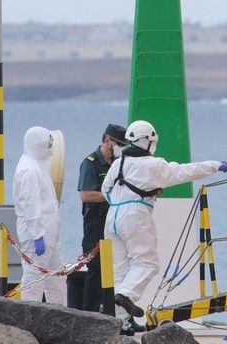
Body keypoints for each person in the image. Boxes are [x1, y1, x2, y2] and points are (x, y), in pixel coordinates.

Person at [102, 119, 227, 335]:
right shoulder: (153, 165)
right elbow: (184, 171)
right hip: (135, 215)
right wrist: (214, 165)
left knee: (120, 268)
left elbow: (106, 190)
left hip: (112, 215)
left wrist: (123, 200)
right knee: (147, 263)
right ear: (147, 142)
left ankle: (121, 322)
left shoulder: (118, 163)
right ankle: (126, 296)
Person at [77, 123, 127, 312]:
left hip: (116, 223)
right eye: (119, 144)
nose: (121, 149)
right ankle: (89, 315)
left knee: (121, 270)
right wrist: (112, 195)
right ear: (108, 141)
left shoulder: (119, 164)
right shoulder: (90, 163)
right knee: (96, 271)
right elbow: (86, 194)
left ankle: (121, 317)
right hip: (96, 224)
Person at [13, 126, 66, 304]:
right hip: (36, 233)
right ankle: (29, 316)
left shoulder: (39, 164)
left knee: (56, 277)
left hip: (48, 232)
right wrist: (37, 235)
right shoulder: (29, 170)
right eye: (47, 145)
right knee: (34, 278)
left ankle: (58, 314)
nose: (51, 149)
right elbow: (30, 205)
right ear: (38, 146)